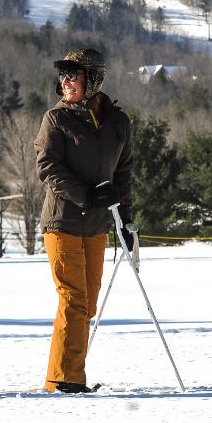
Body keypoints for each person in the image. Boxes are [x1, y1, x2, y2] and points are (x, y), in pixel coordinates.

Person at [35, 47, 134, 394]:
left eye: (72, 75)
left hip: (95, 227)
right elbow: (48, 168)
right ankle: (67, 381)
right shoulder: (56, 119)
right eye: (62, 75)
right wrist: (88, 196)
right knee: (73, 299)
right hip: (61, 222)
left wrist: (127, 221)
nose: (65, 81)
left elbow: (123, 174)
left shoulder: (117, 123)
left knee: (87, 303)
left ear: (92, 79)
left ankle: (58, 378)